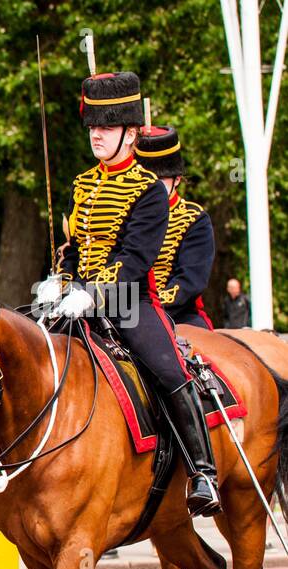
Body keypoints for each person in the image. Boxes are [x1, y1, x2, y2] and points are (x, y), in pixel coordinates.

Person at [36, 70, 219, 517]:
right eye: (94, 126)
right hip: (78, 301)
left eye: (108, 127)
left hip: (131, 304)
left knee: (169, 370)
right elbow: (74, 247)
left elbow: (135, 258)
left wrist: (93, 293)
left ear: (132, 134)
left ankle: (202, 472)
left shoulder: (148, 191)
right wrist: (59, 278)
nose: (97, 134)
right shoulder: (83, 184)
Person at [135, 124, 215, 330]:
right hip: (125, 310)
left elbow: (190, 282)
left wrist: (151, 308)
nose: (151, 187)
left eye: (159, 180)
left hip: (178, 314)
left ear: (177, 179)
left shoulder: (194, 219)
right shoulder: (125, 215)